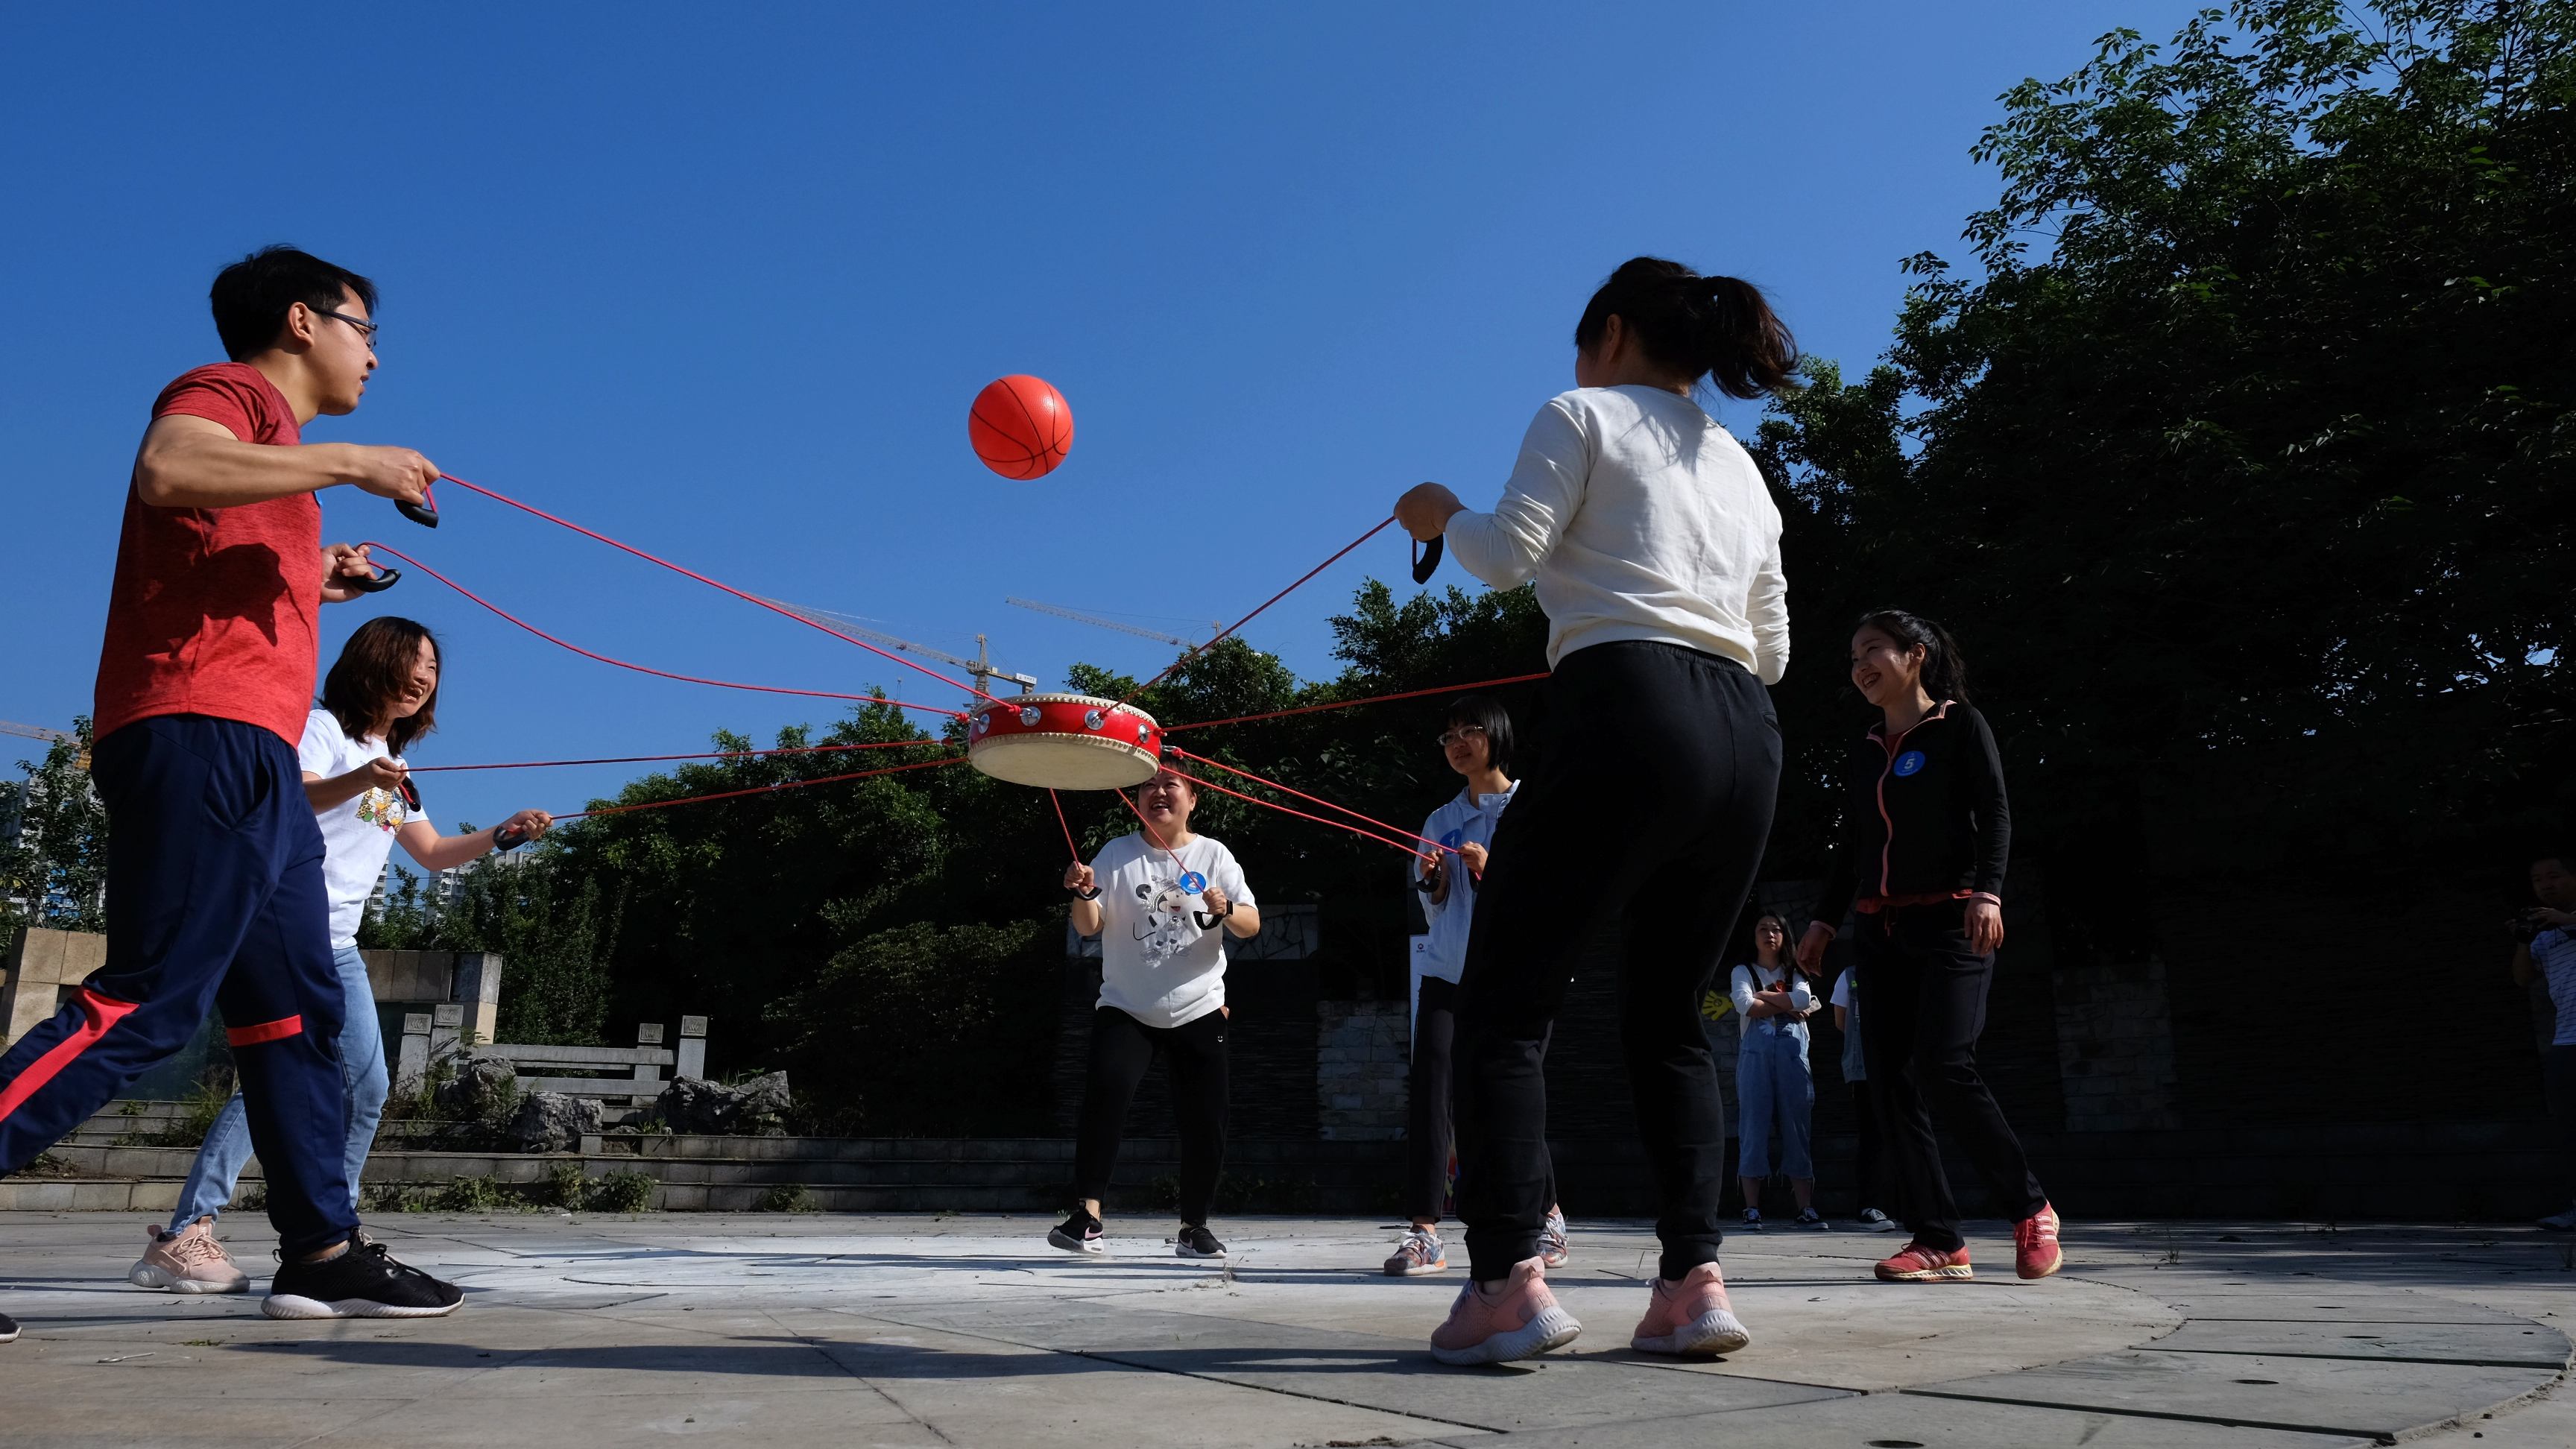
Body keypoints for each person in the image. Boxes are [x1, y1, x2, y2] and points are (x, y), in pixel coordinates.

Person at [0, 246, 461, 1338]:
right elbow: (170, 469)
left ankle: (322, 1251)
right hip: (197, 732)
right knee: (153, 1002)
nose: (374, 356)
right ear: (303, 321)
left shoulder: (281, 460)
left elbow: (204, 549)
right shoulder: (233, 395)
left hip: (255, 757)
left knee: (290, 1012)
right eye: (366, 329)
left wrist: (313, 573)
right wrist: (351, 462)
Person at [1393, 256, 1794, 1364]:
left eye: (1580, 343)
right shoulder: (1741, 465)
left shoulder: (1580, 412)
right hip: (1749, 735)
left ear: (1610, 333)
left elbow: (1503, 555)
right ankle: (1691, 1282)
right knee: (1670, 1018)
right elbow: (1776, 645)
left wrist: (1437, 512)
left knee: (1506, 1009)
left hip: (1627, 704)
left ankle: (1507, 1281)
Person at [129, 618, 552, 1292]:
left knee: (366, 1087)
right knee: (286, 1084)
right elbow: (289, 797)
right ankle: (190, 1230)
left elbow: (433, 852)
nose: (422, 678)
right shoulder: (319, 729)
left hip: (338, 946)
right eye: (412, 662)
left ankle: (334, 1234)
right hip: (281, 929)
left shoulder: (394, 766)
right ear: (370, 662)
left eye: (433, 670)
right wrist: (360, 778)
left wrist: (503, 835)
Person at [1796, 609, 2061, 1284]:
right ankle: (1939, 1238)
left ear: (1915, 655)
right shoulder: (1862, 748)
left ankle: (2031, 1209)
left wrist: (1989, 892)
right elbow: (1853, 844)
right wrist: (1825, 921)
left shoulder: (1959, 726)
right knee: (1889, 1083)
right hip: (1879, 930)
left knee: (1945, 1063)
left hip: (1953, 922)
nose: (1860, 665)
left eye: (1873, 649)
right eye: (1854, 655)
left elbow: (1995, 812)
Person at [1383, 695, 1570, 1277]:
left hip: (1515, 974)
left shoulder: (1532, 808)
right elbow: (1437, 913)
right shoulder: (1440, 820)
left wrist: (1491, 869)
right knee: (1433, 1094)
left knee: (1513, 1096)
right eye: (1448, 737)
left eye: (1470, 731)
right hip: (1446, 973)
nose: (1459, 743)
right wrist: (1435, 883)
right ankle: (1424, 1232)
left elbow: (1549, 901)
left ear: (1497, 735)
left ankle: (1548, 1216)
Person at [1051, 769, 1262, 1260]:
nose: (1158, 794)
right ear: (1136, 798)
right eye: (1149, 786)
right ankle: (1088, 1217)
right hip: (1126, 1005)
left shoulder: (1214, 855)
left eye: (1171, 786)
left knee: (1206, 1119)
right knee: (1105, 1100)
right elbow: (1089, 925)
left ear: (1193, 799)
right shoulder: (1116, 854)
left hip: (1199, 1006)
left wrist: (1226, 906)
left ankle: (1195, 1225)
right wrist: (1082, 892)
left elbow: (1250, 925)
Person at [1730, 914, 1824, 1230]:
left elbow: (1803, 997)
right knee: (1753, 1127)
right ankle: (1752, 1209)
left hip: (1793, 1058)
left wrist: (1765, 997)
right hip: (1755, 1058)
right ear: (1753, 936)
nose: (1770, 934)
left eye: (1776, 928)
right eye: (1763, 928)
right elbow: (1744, 1004)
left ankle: (1806, 1208)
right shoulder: (1742, 971)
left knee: (1798, 1127)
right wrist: (1786, 1004)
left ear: (1785, 935)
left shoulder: (1796, 970)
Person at [2509, 852, 2576, 1231]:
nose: (2546, 885)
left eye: (2554, 876)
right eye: (2538, 881)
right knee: (2570, 1129)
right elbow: (2523, 978)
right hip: (2568, 1040)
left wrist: (2564, 920)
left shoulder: (2562, 921)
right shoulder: (2545, 932)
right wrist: (2524, 939)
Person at [1828, 948, 1901, 1231]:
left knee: (1903, 1131)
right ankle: (1870, 1204)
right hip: (1864, 1068)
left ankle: (1906, 1202)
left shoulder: (1902, 970)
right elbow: (1840, 1021)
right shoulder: (1849, 976)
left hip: (1899, 1064)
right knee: (1872, 1135)